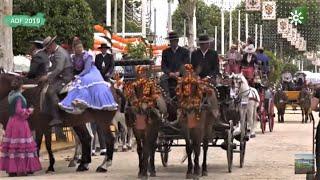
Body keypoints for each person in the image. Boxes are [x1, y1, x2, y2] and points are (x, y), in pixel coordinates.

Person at [58, 38, 118, 114]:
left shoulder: (87, 55)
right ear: (74, 49)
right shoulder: (73, 57)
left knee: (84, 81)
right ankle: (73, 103)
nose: (79, 49)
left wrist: (78, 76)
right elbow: (72, 68)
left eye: (80, 47)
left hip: (90, 72)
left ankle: (83, 102)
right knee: (73, 84)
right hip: (81, 73)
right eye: (77, 48)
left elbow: (87, 69)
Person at [0, 78, 41, 176]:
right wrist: (29, 111)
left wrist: (24, 88)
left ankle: (12, 171)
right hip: (20, 123)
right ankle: (22, 169)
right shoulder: (19, 97)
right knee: (22, 146)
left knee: (13, 147)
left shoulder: (11, 95)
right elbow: (19, 110)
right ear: (20, 86)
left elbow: (19, 92)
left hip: (11, 122)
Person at [39, 36, 74, 126]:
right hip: (60, 76)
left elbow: (59, 68)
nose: (47, 50)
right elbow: (54, 67)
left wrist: (47, 77)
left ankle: (57, 117)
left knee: (51, 91)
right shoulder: (56, 52)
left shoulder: (59, 53)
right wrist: (46, 73)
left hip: (65, 77)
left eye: (47, 48)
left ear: (51, 45)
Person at [160, 31, 190, 97]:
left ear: (177, 41)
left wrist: (179, 72)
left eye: (173, 41)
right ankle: (167, 97)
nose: (172, 42)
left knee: (188, 79)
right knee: (162, 79)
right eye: (171, 41)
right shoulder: (165, 52)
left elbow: (186, 64)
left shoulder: (185, 51)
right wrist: (169, 73)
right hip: (169, 74)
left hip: (181, 74)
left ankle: (185, 96)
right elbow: (163, 65)